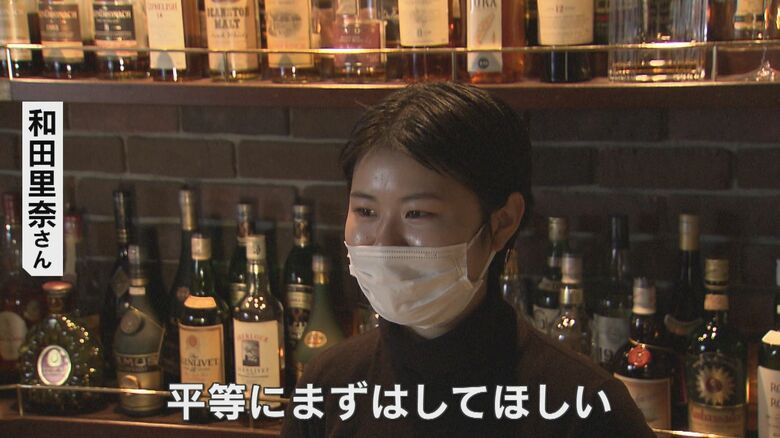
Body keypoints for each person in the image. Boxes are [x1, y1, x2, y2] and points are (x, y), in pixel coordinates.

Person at [281, 82, 654, 437]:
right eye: (365, 211)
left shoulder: (585, 408)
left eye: (417, 214)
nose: (384, 241)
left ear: (502, 222)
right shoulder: (328, 384)